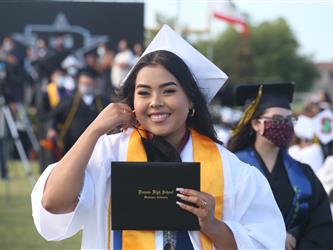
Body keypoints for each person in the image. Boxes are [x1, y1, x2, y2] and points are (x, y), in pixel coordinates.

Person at [31, 25, 285, 249]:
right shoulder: (107, 154)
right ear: (132, 101)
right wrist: (94, 130)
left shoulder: (233, 172)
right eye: (143, 92)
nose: (155, 103)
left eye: (168, 91)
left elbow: (265, 242)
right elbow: (53, 203)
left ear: (191, 100)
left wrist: (213, 225)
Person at [228, 82, 333, 250]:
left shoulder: (303, 174)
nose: (285, 125)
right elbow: (223, 219)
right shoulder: (231, 168)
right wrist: (273, 238)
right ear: (256, 124)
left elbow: (321, 226)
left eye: (289, 119)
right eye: (277, 119)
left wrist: (297, 238)